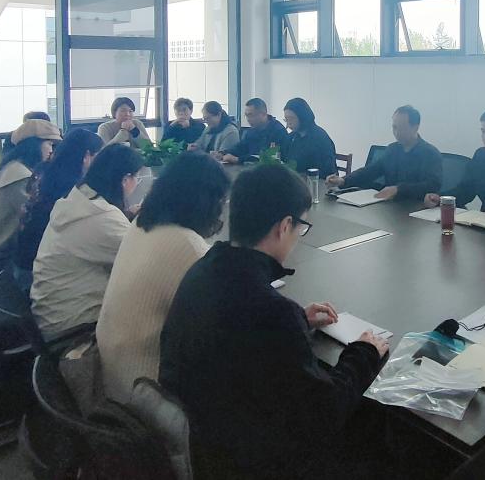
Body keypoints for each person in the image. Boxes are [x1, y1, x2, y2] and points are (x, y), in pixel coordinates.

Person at [159, 164, 388, 479]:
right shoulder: (270, 311)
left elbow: (241, 334)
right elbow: (325, 412)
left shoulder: (204, 268)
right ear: (284, 226)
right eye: (300, 227)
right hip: (246, 460)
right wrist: (364, 352)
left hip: (200, 437)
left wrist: (299, 319)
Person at [97, 152, 230, 403]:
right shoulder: (187, 246)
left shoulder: (140, 223)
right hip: (146, 393)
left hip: (111, 373)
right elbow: (226, 320)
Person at [30, 144, 144, 338]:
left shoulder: (75, 200)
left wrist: (126, 215)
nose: (137, 184)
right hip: (76, 326)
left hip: (51, 311)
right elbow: (145, 259)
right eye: (137, 178)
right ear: (125, 180)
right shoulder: (104, 217)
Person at [14, 129, 104, 293]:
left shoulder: (44, 170)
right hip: (40, 277)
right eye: (98, 156)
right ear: (86, 156)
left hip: (24, 262)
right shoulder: (72, 188)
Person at [0, 119, 62, 257]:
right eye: (49, 144)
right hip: (2, 255)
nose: (51, 150)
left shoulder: (11, 167)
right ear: (34, 145)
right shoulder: (21, 176)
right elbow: (35, 217)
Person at [326, 105, 442, 201]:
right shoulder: (392, 149)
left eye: (401, 128)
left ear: (415, 128)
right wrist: (344, 180)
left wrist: (398, 189)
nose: (396, 132)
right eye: (394, 127)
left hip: (414, 208)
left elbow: (432, 185)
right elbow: (371, 171)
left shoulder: (430, 154)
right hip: (389, 206)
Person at [218, 97, 288, 164]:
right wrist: (222, 153)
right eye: (246, 115)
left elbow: (265, 157)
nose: (248, 119)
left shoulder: (278, 131)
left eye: (251, 115)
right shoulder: (252, 131)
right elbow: (240, 147)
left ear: (263, 114)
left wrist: (238, 159)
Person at [282, 97, 337, 177]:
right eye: (286, 119)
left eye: (291, 119)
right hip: (296, 180)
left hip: (316, 181)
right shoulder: (292, 137)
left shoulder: (320, 138)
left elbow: (328, 170)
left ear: (302, 117)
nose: (288, 124)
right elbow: (285, 160)